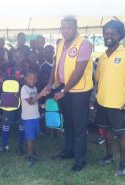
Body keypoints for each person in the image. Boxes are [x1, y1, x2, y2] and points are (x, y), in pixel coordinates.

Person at [45, 16, 93, 172]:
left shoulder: (84, 44)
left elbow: (78, 72)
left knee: (79, 125)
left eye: (69, 28)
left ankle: (80, 159)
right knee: (68, 123)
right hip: (64, 88)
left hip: (79, 91)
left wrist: (63, 91)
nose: (65, 31)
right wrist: (50, 82)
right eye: (63, 28)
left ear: (75, 27)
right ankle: (68, 151)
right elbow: (55, 65)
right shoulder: (60, 43)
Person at [95, 20, 125, 176]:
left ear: (119, 35)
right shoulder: (102, 57)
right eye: (106, 33)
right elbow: (98, 80)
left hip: (119, 104)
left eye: (112, 33)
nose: (108, 36)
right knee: (107, 132)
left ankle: (123, 163)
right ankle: (109, 156)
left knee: (121, 133)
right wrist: (96, 98)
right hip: (102, 102)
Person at [0, 49, 26, 155]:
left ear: (24, 57)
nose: (18, 58)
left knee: (22, 123)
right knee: (6, 122)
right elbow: (1, 80)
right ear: (12, 58)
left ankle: (20, 146)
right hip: (9, 100)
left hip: (23, 101)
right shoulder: (8, 69)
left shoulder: (27, 70)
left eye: (20, 56)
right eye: (15, 56)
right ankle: (4, 145)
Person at [21, 71, 47, 166]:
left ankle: (29, 151)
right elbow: (31, 102)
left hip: (35, 116)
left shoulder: (34, 88)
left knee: (33, 135)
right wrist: (41, 94)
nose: (31, 80)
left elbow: (35, 101)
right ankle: (29, 156)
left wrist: (41, 105)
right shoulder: (24, 89)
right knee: (30, 137)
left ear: (36, 80)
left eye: (33, 78)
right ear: (25, 79)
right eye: (29, 78)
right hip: (28, 118)